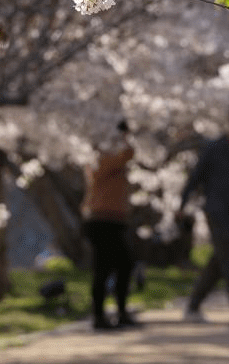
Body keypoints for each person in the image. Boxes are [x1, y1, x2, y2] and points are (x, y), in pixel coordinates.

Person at [179, 106, 229, 322]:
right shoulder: (213, 149)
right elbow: (195, 177)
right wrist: (182, 203)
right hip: (215, 209)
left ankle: (193, 306)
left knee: (219, 259)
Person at [81, 119, 138, 330]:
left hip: (116, 219)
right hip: (100, 219)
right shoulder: (98, 156)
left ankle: (120, 312)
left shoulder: (115, 156)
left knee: (124, 265)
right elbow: (126, 155)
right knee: (103, 268)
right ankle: (98, 315)